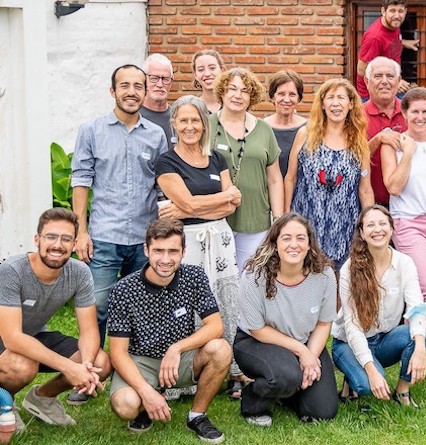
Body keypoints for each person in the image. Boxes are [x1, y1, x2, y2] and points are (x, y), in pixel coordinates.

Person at [106, 219, 231, 443]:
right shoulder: (123, 289)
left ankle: (197, 415)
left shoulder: (194, 277)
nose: (165, 259)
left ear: (183, 251)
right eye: (158, 251)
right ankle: (146, 404)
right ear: (146, 250)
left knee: (221, 349)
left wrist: (177, 348)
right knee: (125, 406)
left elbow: (216, 326)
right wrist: (146, 392)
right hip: (140, 361)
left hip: (181, 359)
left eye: (173, 251)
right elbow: (117, 352)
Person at [71, 64, 168, 347]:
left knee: (141, 305)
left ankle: (134, 367)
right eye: (125, 86)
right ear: (113, 91)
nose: (132, 92)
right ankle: (91, 367)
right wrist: (81, 231)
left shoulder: (155, 135)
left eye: (138, 86)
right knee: (97, 306)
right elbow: (81, 178)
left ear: (145, 92)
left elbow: (161, 184)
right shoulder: (91, 130)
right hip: (104, 235)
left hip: (143, 237)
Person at [155, 95, 243, 396]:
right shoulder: (166, 161)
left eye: (196, 120)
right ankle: (183, 378)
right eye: (184, 120)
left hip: (220, 239)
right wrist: (221, 197)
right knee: (187, 302)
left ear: (204, 125)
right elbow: (226, 197)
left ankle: (229, 367)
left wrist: (182, 209)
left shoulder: (217, 158)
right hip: (187, 242)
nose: (190, 126)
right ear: (174, 124)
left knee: (225, 300)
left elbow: (232, 206)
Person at [0, 209, 111, 430]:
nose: (58, 245)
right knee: (23, 364)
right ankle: (4, 401)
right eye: (51, 237)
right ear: (37, 239)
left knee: (100, 362)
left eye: (66, 238)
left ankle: (42, 398)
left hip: (33, 334)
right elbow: (12, 338)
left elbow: (89, 330)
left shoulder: (79, 273)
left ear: (74, 243)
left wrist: (85, 366)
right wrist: (69, 368)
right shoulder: (11, 271)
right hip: (6, 338)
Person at [235, 214, 339, 426]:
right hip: (257, 341)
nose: (294, 244)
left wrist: (311, 356)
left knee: (323, 411)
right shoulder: (255, 275)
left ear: (309, 244)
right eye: (286, 238)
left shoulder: (325, 274)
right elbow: (257, 329)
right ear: (275, 244)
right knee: (286, 376)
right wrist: (302, 353)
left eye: (301, 238)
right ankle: (253, 400)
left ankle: (286, 391)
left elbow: (323, 323)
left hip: (305, 341)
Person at [332, 206, 426, 408]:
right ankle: (353, 376)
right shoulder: (350, 269)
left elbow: (416, 308)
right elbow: (352, 326)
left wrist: (420, 347)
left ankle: (402, 391)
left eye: (383, 223)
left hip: (385, 340)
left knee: (421, 335)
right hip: (348, 343)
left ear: (392, 229)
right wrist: (372, 371)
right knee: (367, 385)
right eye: (370, 225)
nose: (378, 229)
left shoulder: (405, 263)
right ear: (362, 233)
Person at [381, 87, 426, 354]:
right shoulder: (394, 144)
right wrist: (409, 153)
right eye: (415, 111)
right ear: (404, 113)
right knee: (424, 285)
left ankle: (422, 341)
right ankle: (410, 339)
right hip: (408, 221)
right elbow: (394, 187)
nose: (420, 117)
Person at [285, 78, 374, 268]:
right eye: (330, 97)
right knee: (306, 277)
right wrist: (285, 217)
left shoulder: (359, 142)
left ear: (351, 104)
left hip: (344, 227)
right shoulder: (305, 134)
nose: (335, 103)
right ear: (322, 104)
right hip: (306, 221)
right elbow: (291, 178)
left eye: (341, 98)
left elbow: (365, 189)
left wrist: (370, 221)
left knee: (340, 285)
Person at [211, 67, 284, 271]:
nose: (237, 95)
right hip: (215, 218)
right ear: (222, 92)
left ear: (251, 96)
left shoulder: (264, 129)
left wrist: (278, 219)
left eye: (244, 90)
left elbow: (275, 179)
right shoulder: (207, 126)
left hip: (255, 220)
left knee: (250, 280)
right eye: (232, 88)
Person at [363, 57, 406, 207]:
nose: (384, 81)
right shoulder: (356, 117)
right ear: (367, 82)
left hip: (408, 207)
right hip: (369, 205)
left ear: (399, 81)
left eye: (390, 76)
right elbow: (351, 161)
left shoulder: (412, 115)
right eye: (378, 76)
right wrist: (378, 140)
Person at [355, 0, 417, 101]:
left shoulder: (394, 25)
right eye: (392, 11)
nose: (397, 16)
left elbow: (387, 42)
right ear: (383, 11)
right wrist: (394, 82)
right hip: (372, 95)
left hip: (390, 86)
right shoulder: (374, 37)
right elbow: (361, 70)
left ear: (405, 12)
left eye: (400, 11)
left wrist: (403, 43)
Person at [263, 70, 308, 178]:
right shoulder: (261, 127)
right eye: (281, 94)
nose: (286, 99)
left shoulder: (309, 129)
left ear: (299, 98)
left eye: (292, 94)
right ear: (273, 97)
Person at [141, 53, 176, 148]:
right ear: (143, 79)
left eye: (165, 79)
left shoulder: (177, 118)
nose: (160, 84)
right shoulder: (134, 117)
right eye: (154, 78)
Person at [192, 49, 225, 114]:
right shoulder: (192, 107)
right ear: (195, 75)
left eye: (212, 68)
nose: (207, 74)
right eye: (201, 69)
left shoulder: (233, 105)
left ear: (222, 70)